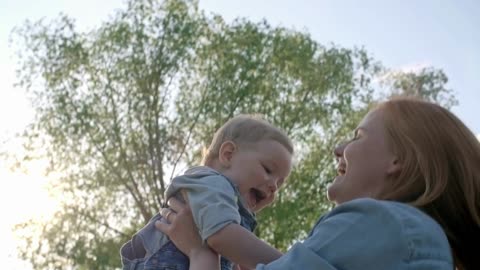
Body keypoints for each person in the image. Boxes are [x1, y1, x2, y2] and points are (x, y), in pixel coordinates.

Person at [156, 97, 480, 270]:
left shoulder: (381, 223)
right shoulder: (411, 237)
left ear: (400, 159)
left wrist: (201, 255)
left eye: (358, 136)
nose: (338, 148)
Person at [120, 114, 294, 270]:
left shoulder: (231, 216)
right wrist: (292, 264)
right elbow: (223, 237)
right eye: (268, 170)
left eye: (279, 183)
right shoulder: (212, 182)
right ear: (228, 154)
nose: (273, 186)